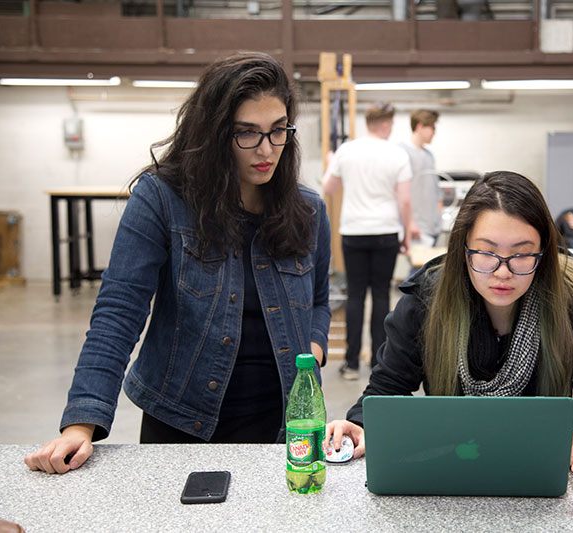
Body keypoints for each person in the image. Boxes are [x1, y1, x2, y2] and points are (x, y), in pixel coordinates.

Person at [24, 52, 331, 474]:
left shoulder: (308, 209)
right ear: (214, 133)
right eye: (247, 134)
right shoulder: (162, 199)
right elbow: (119, 310)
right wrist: (82, 422)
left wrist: (311, 353)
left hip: (287, 425)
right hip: (183, 420)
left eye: (278, 131)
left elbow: (318, 300)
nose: (266, 150)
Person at [326, 171, 573, 483]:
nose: (503, 272)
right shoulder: (426, 301)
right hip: (447, 471)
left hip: (538, 477)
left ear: (543, 252)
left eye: (521, 254)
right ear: (463, 248)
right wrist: (362, 424)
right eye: (487, 253)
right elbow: (386, 391)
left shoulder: (572, 305)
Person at [322, 102, 419, 381]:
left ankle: (351, 364)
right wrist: (404, 235)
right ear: (387, 124)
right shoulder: (397, 154)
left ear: (369, 122)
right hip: (385, 232)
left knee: (355, 295)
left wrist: (331, 164)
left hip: (353, 230)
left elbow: (328, 187)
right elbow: (404, 200)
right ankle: (378, 360)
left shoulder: (347, 150)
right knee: (380, 295)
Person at [400, 109, 443, 248]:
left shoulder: (429, 155)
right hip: (417, 227)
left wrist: (439, 214)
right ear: (420, 126)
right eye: (432, 127)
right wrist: (410, 223)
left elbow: (435, 189)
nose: (434, 132)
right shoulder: (403, 153)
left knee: (430, 268)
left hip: (433, 226)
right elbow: (400, 193)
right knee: (417, 268)